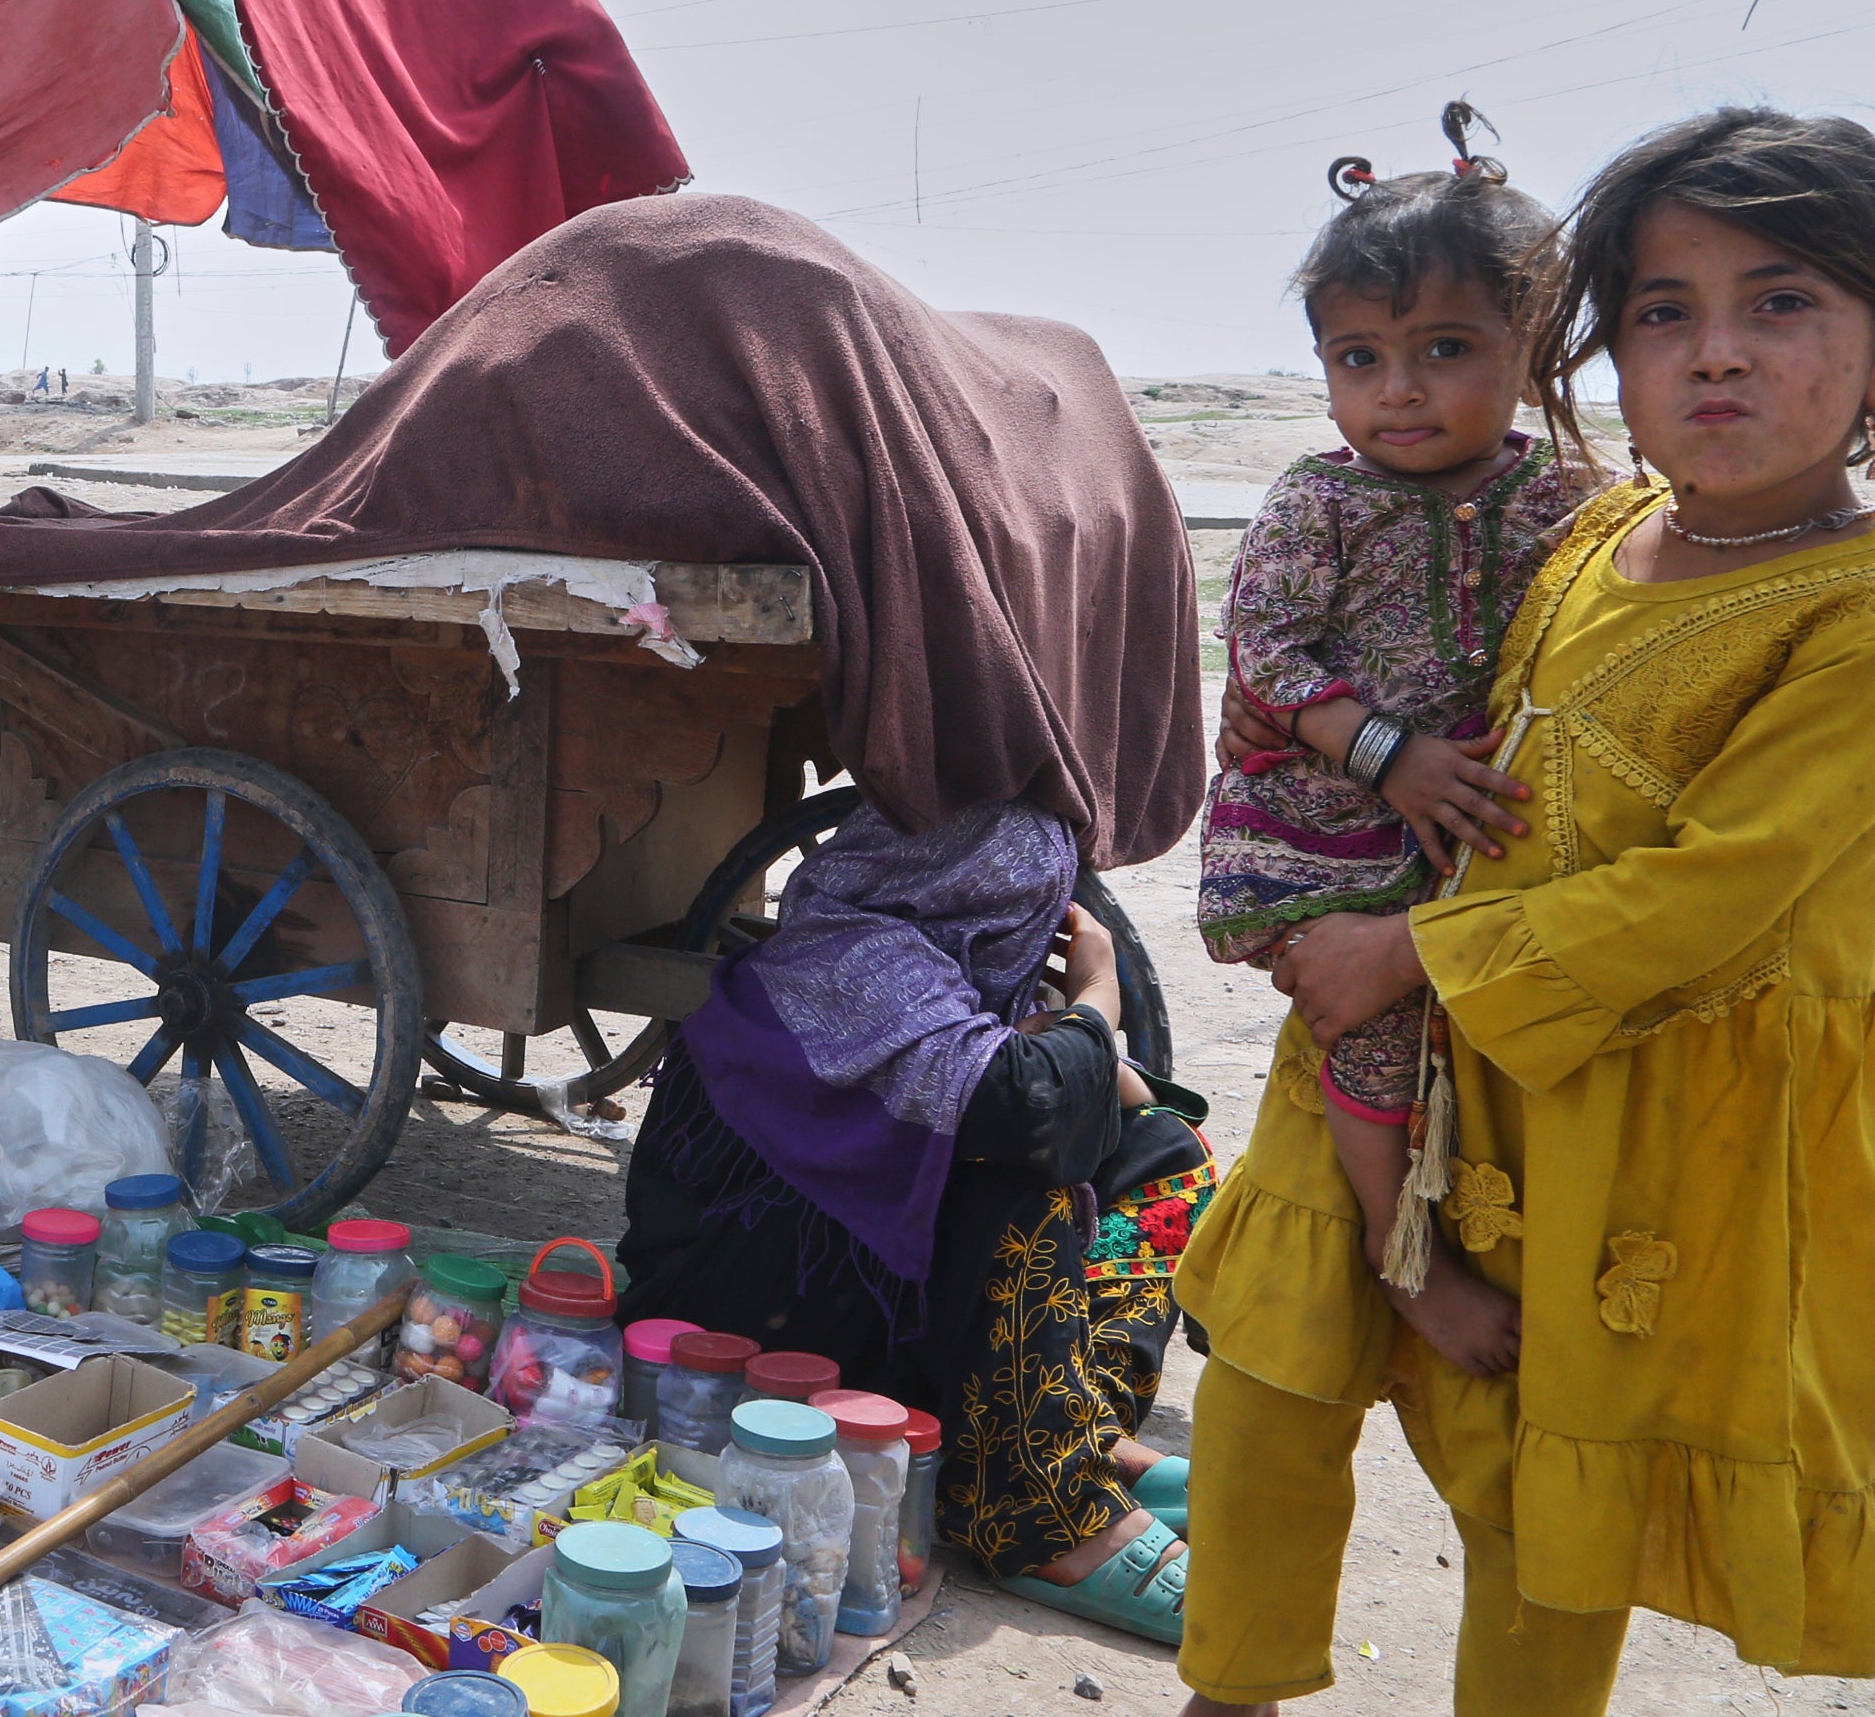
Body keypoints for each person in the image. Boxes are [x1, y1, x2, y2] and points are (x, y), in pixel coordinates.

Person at [1175, 106, 1875, 1715]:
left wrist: (1400, 945)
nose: (1715, 355)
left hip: (1612, 1108)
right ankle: (1227, 1690)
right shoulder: (1604, 530)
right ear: (1606, 354)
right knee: (1269, 1383)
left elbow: (1711, 893)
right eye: (1661, 311)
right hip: (1386, 1037)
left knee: (1539, 1498)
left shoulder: (1846, 607)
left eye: (1780, 302)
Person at [617, 798, 1214, 1645]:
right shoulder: (850, 957)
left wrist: (1081, 1046)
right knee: (1011, 1191)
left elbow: (1114, 1107)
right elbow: (1030, 1109)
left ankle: (1074, 1439)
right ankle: (1049, 1518)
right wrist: (1094, 994)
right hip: (744, 1306)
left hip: (861, 1295)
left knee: (1165, 1153)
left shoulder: (947, 977)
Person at [1194, 118, 1596, 1375]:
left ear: (1531, 354)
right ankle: (1399, 1257)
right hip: (1324, 843)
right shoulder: (1320, 499)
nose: (1400, 389)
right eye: (1359, 357)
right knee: (1371, 1038)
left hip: (1476, 835)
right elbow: (1265, 653)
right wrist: (1387, 754)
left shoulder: (1570, 494)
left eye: (1445, 349)